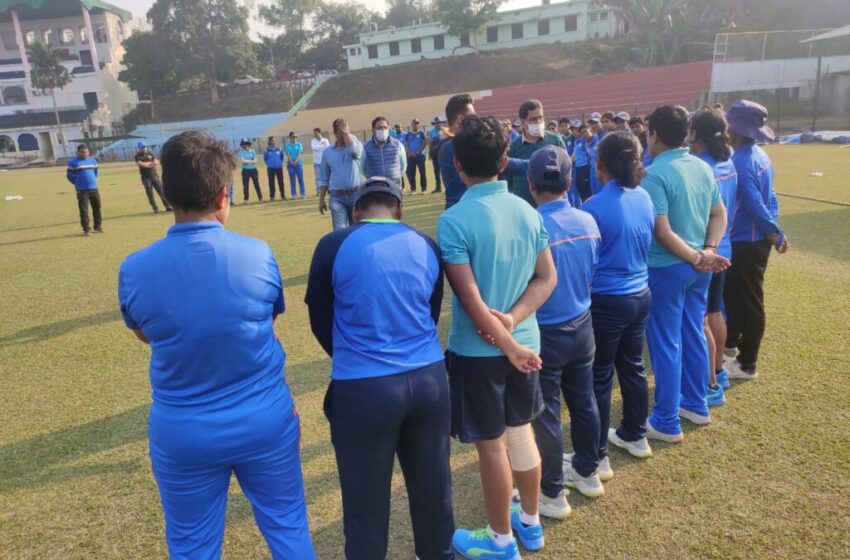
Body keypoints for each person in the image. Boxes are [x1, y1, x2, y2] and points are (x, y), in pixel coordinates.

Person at [118, 131, 315, 560]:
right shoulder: (258, 254)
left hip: (183, 430)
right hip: (265, 420)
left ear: (168, 193)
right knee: (288, 527)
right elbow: (269, 319)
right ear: (224, 194)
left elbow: (144, 334)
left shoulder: (134, 269)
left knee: (192, 546)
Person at [305, 177, 454, 560]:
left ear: (356, 212)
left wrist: (352, 356)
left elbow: (321, 319)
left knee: (365, 505)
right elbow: (431, 311)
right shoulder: (426, 243)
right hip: (430, 382)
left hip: (363, 389)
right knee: (434, 491)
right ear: (398, 209)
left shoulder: (333, 244)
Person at [439, 115, 557, 559]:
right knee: (520, 432)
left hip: (480, 351)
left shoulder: (454, 220)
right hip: (525, 345)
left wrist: (505, 335)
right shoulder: (528, 211)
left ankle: (501, 541)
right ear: (505, 161)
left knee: (491, 445)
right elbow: (547, 278)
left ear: (457, 164)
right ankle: (530, 522)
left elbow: (469, 300)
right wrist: (514, 321)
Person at [641, 105, 730, 443]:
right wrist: (708, 250)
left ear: (654, 135)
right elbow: (718, 214)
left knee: (665, 341)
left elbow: (662, 232)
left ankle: (666, 419)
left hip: (668, 267)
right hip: (699, 267)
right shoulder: (701, 167)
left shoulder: (654, 174)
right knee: (692, 331)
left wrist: (698, 255)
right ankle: (695, 403)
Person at [526, 146, 603, 507]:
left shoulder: (533, 226)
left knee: (548, 412)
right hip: (583, 324)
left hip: (547, 331)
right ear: (570, 182)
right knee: (584, 399)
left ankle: (552, 491)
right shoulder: (588, 220)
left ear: (531, 184)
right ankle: (588, 471)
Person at [582, 131, 656, 468]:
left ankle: (598, 457)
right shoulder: (644, 197)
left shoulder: (593, 207)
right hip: (640, 295)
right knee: (633, 368)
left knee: (599, 377)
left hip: (608, 302)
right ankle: (635, 434)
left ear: (600, 165)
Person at [724, 100, 789, 380]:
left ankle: (748, 363)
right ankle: (730, 347)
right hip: (755, 239)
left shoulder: (740, 160)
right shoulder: (760, 156)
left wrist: (774, 232)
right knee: (737, 296)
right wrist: (773, 230)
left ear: (735, 129)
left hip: (745, 241)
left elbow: (754, 204)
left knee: (749, 300)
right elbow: (771, 198)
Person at [687, 108, 738, 405]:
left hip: (708, 249)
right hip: (725, 245)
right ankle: (718, 372)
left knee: (702, 319)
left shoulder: (700, 167)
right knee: (715, 312)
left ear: (697, 133)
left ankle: (708, 386)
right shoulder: (727, 162)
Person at [506, 99, 567, 206]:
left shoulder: (555, 140)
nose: (538, 122)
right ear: (522, 121)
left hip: (551, 205)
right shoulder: (514, 147)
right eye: (533, 119)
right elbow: (508, 179)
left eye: (540, 117)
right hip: (524, 206)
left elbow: (566, 170)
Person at [317, 118, 363, 230]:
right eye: (341, 132)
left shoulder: (356, 145)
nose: (343, 134)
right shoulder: (327, 152)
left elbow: (355, 153)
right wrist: (321, 200)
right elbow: (324, 178)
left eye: (346, 131)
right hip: (337, 197)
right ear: (334, 133)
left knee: (356, 230)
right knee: (339, 230)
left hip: (356, 195)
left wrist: (346, 133)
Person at [360, 116, 407, 188]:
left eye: (385, 127)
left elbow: (403, 166)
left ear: (389, 129)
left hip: (394, 188)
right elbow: (362, 168)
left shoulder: (398, 145)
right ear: (373, 130)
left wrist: (395, 176)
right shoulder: (365, 147)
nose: (383, 130)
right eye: (379, 128)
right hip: (374, 188)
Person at [67, 144, 103, 236]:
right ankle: (86, 229)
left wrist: (92, 182)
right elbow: (69, 176)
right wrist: (78, 183)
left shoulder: (93, 161)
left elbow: (95, 173)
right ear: (78, 152)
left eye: (86, 152)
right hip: (82, 190)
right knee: (84, 209)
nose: (84, 153)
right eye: (82, 152)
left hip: (94, 188)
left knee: (97, 207)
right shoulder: (73, 162)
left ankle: (98, 226)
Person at [134, 141, 173, 213]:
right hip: (146, 178)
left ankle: (168, 206)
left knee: (162, 192)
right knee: (150, 193)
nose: (144, 148)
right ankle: (155, 208)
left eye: (145, 147)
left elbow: (156, 162)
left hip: (155, 176)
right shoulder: (137, 156)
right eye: (142, 147)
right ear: (139, 148)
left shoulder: (150, 154)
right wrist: (151, 164)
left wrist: (148, 164)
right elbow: (142, 165)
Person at [404, 118, 428, 194]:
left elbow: (424, 143)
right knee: (411, 173)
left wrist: (418, 152)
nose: (416, 125)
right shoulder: (408, 134)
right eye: (414, 123)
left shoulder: (421, 133)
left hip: (420, 156)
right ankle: (413, 189)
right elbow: (406, 144)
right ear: (412, 124)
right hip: (411, 156)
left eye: (417, 123)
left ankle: (424, 189)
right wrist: (409, 152)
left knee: (422, 173)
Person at [573, 123, 593, 202]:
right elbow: (574, 155)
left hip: (585, 167)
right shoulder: (577, 141)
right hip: (578, 168)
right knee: (580, 187)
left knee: (587, 190)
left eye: (585, 131)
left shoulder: (587, 141)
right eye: (581, 132)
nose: (583, 134)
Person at [239, 138, 263, 203]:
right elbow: (243, 161)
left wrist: (248, 161)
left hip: (253, 170)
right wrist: (251, 160)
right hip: (245, 171)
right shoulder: (241, 152)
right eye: (244, 144)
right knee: (245, 185)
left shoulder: (252, 151)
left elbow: (255, 160)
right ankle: (246, 199)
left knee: (256, 184)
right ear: (242, 145)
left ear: (248, 144)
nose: (245, 145)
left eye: (246, 143)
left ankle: (260, 198)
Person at [587, 113, 604, 196]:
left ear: (601, 123)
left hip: (601, 167)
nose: (593, 125)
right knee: (594, 192)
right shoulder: (595, 137)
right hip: (593, 167)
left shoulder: (604, 135)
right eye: (592, 123)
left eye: (596, 123)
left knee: (601, 192)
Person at [285, 131, 306, 199]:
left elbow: (299, 153)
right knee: (292, 179)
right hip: (290, 164)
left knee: (300, 179)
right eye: (293, 137)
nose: (295, 138)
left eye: (296, 137)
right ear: (290, 137)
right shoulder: (287, 145)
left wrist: (296, 161)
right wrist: (291, 161)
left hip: (298, 163)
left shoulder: (299, 145)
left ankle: (303, 193)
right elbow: (288, 154)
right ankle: (294, 194)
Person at [264, 136, 285, 201]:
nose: (273, 142)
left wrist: (280, 163)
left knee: (281, 181)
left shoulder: (279, 148)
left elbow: (282, 157)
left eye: (274, 140)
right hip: (270, 168)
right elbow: (265, 159)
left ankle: (283, 195)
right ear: (269, 142)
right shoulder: (266, 150)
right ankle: (272, 196)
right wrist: (269, 164)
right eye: (272, 140)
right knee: (271, 182)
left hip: (279, 167)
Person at [310, 128, 330, 197]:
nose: (314, 134)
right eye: (314, 133)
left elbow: (327, 148)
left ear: (320, 133)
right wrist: (322, 147)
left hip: (325, 162)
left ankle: (329, 190)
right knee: (318, 178)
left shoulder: (325, 140)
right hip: (317, 162)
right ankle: (319, 191)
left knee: (327, 176)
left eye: (315, 133)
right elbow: (313, 148)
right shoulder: (313, 141)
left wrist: (318, 147)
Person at [429, 116, 445, 193]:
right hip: (435, 155)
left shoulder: (445, 130)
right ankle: (438, 188)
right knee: (436, 172)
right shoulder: (432, 131)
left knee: (445, 172)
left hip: (443, 154)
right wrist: (430, 153)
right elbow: (430, 143)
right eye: (436, 123)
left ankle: (447, 187)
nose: (438, 124)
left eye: (439, 122)